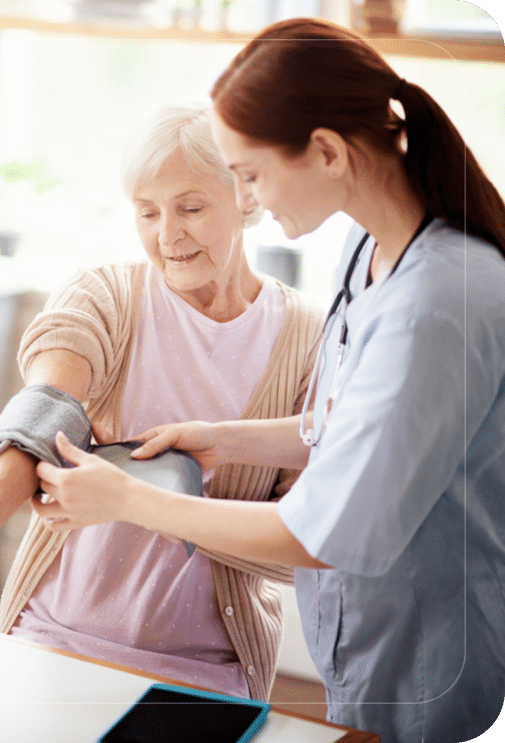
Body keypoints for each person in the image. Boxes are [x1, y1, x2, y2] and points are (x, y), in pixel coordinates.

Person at [29, 18, 505, 743]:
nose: (248, 198)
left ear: (325, 152)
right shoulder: (371, 247)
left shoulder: (436, 302)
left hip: (426, 651)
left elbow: (325, 531)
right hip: (365, 641)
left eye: (248, 176)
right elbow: (353, 423)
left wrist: (126, 498)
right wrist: (227, 439)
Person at [0, 102, 324, 701]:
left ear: (247, 197)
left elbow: (304, 542)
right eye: (147, 212)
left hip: (208, 665)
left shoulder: (309, 336)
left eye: (191, 207)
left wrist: (141, 503)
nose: (168, 235)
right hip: (54, 635)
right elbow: (46, 408)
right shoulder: (105, 295)